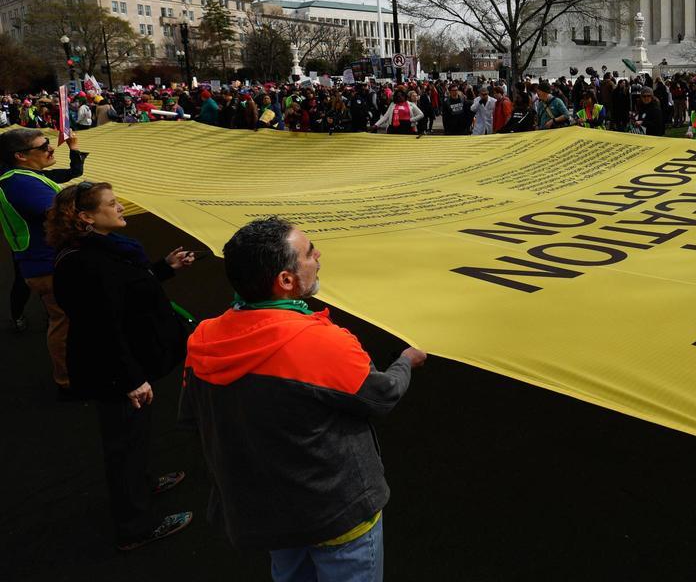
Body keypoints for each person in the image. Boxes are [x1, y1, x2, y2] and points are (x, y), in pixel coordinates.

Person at [179, 217, 427, 581]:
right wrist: (406, 361)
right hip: (335, 511)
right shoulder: (322, 342)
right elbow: (381, 396)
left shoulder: (203, 339)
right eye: (310, 253)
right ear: (286, 280)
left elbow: (192, 420)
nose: (319, 256)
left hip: (266, 515)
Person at [46, 182, 195, 550]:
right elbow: (101, 326)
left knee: (133, 435)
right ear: (86, 217)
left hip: (127, 364)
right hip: (116, 373)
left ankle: (142, 485)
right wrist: (131, 379)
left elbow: (126, 288)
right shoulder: (85, 262)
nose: (121, 208)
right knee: (124, 444)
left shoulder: (108, 252)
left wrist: (165, 268)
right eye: (112, 204)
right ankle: (135, 528)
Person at [0, 128, 88, 391]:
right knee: (64, 322)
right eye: (44, 146)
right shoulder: (21, 183)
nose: (51, 149)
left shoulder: (23, 176)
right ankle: (67, 380)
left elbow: (72, 175)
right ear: (21, 156)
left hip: (41, 262)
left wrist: (73, 148)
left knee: (65, 318)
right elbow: (62, 217)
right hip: (46, 265)